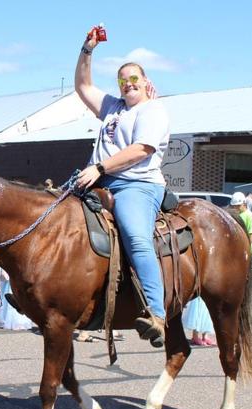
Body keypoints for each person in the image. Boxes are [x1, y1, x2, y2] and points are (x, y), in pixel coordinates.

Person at [74, 26, 170, 347]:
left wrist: (99, 167)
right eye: (123, 80)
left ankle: (157, 314)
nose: (128, 84)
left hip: (136, 185)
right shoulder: (113, 107)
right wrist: (87, 50)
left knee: (135, 237)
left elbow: (142, 149)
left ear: (146, 83)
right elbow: (83, 85)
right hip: (99, 179)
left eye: (134, 79)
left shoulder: (152, 109)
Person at [230, 191, 252, 258]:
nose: (236, 208)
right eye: (234, 206)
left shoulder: (251, 217)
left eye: (238, 206)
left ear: (244, 204)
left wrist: (244, 247)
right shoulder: (234, 215)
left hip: (248, 251)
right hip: (237, 250)